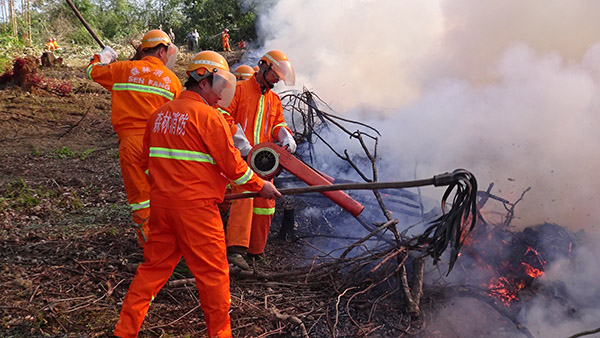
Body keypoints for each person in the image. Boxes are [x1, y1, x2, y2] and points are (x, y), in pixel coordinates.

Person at [112, 50, 281, 338]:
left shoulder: (159, 115)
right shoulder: (208, 117)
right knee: (214, 277)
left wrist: (175, 189)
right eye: (219, 87)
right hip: (198, 213)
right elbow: (233, 166)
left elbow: (146, 165)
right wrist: (260, 185)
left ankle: (124, 331)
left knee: (150, 273)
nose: (221, 94)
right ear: (202, 81)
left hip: (163, 209)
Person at [86, 29, 182, 246]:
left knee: (141, 197)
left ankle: (149, 243)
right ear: (161, 50)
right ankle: (170, 239)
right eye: (167, 52)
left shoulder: (122, 70)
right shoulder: (173, 81)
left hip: (130, 143)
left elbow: (92, 71)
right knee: (164, 191)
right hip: (159, 145)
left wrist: (104, 57)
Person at [220, 50, 296, 269]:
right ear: (263, 66)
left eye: (279, 78)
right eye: (274, 75)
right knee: (244, 196)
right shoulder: (240, 90)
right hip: (239, 157)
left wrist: (285, 136)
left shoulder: (273, 99)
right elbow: (224, 115)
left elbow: (277, 124)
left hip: (263, 162)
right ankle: (235, 250)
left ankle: (256, 251)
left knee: (266, 204)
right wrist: (240, 141)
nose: (276, 81)